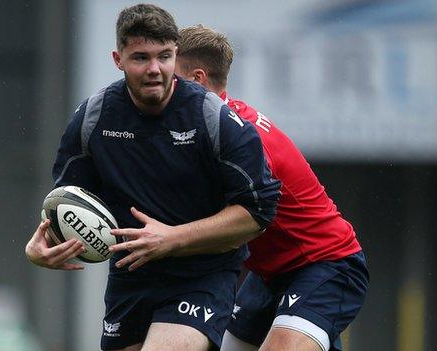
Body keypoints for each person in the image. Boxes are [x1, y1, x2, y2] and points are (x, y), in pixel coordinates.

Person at [25, 5, 281, 351]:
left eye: (165, 56)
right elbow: (69, 199)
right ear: (118, 59)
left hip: (201, 277)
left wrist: (173, 238)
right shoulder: (94, 118)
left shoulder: (212, 118)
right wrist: (43, 243)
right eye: (140, 58)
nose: (155, 70)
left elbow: (258, 212)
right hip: (129, 278)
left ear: (176, 54)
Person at [174, 25, 369, 351]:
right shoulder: (207, 127)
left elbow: (235, 223)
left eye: (171, 77)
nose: (160, 86)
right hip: (268, 276)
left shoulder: (239, 139)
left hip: (326, 265)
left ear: (197, 79)